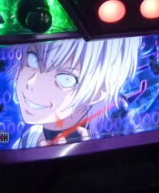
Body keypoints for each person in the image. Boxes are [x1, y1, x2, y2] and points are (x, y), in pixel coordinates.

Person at [11, 36, 140, 147]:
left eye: (65, 79)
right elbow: (1, 139)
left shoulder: (106, 139)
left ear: (99, 92)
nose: (31, 82)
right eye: (32, 60)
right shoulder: (31, 136)